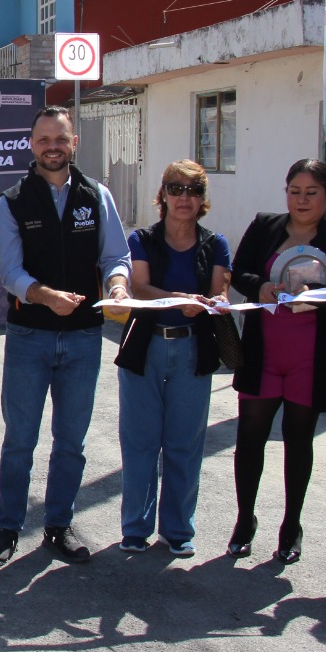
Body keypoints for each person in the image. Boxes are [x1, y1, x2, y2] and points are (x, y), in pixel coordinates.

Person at [0, 106, 131, 567]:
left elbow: (115, 256)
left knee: (70, 442)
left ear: (74, 143)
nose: (52, 146)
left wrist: (119, 284)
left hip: (85, 338)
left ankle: (58, 526)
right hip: (30, 336)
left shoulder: (96, 195)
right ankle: (7, 528)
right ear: (31, 144)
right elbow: (10, 272)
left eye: (60, 139)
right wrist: (45, 296)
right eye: (44, 139)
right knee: (20, 440)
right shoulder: (12, 201)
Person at [229, 158, 326, 564]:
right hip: (264, 352)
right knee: (250, 440)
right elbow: (238, 273)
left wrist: (320, 296)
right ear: (285, 192)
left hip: (310, 357)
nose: (302, 200)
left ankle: (291, 525)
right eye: (295, 191)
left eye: (312, 192)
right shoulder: (265, 225)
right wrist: (262, 286)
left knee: (298, 443)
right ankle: (244, 519)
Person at [112, 160, 231, 556]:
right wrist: (179, 299)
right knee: (140, 441)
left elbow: (218, 297)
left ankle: (178, 530)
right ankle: (135, 528)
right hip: (146, 347)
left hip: (192, 349)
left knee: (184, 443)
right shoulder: (142, 239)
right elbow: (140, 288)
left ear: (203, 200)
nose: (185, 198)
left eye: (193, 191)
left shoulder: (216, 245)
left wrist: (217, 305)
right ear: (162, 195)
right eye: (176, 189)